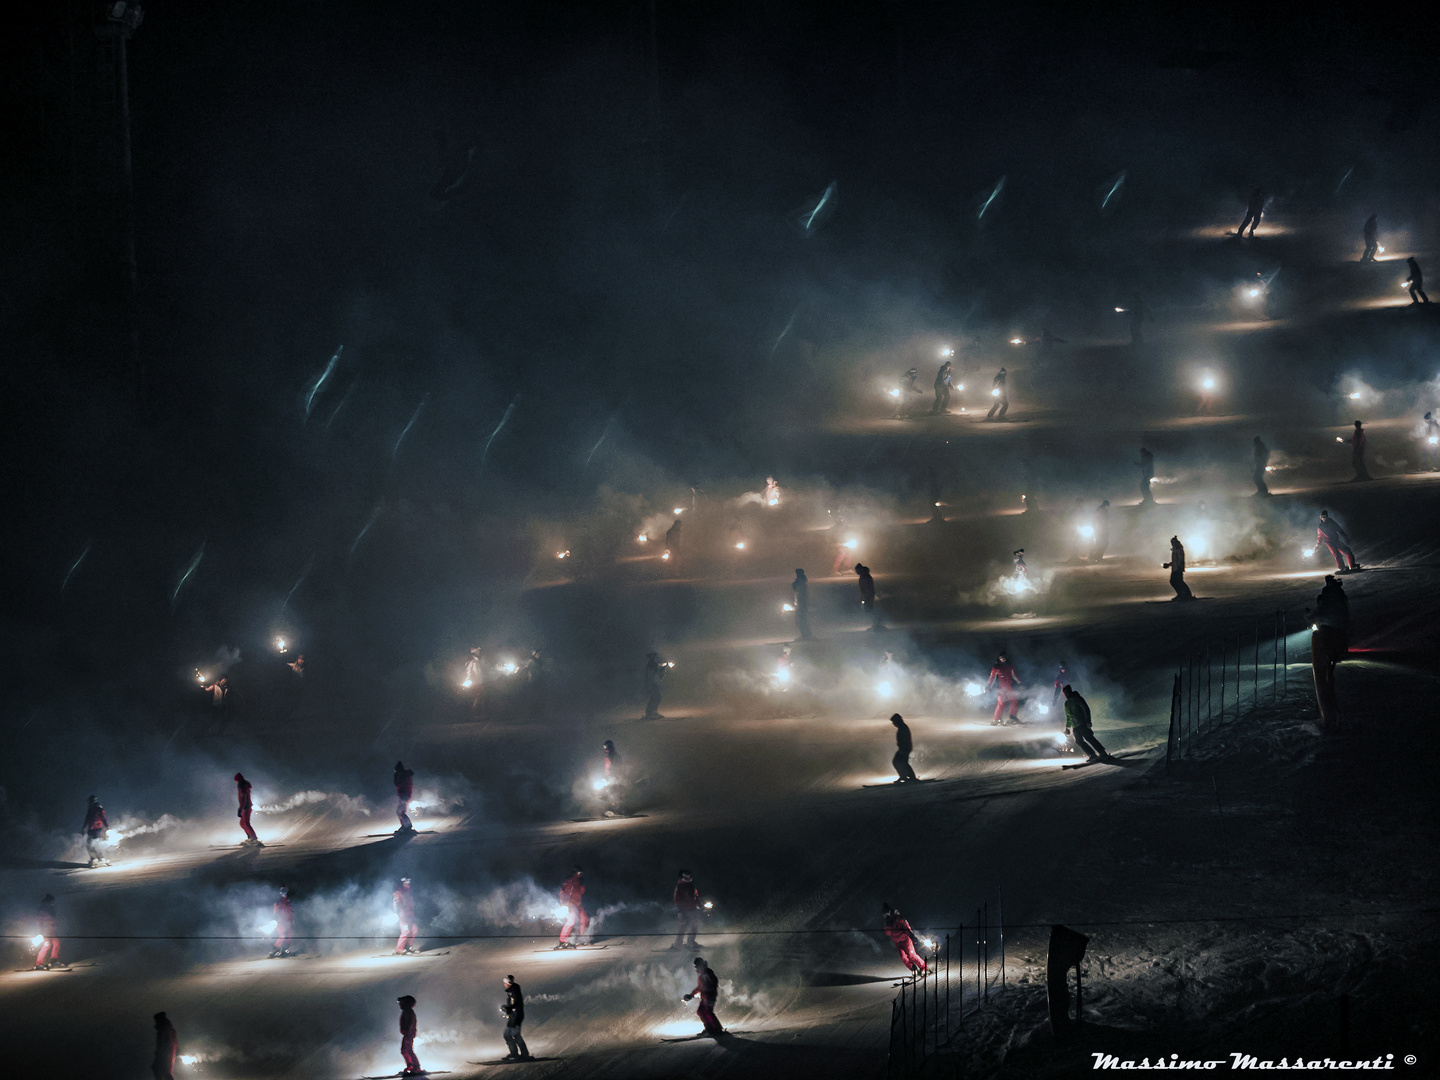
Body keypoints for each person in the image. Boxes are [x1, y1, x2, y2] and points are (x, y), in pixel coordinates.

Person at [1310, 575, 1351, 732]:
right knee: (1330, 667)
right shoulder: (1340, 595)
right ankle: (1333, 705)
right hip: (1341, 633)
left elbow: (1320, 612)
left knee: (1325, 669)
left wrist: (1309, 617)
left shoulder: (1327, 596)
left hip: (1330, 633)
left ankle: (1328, 709)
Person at [1062, 685, 1110, 761]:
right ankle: (1092, 755)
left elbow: (1086, 709)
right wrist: (1067, 728)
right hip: (1075, 726)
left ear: (1070, 691)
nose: (1066, 694)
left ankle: (1102, 753)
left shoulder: (1078, 698)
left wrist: (1088, 720)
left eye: (1067, 692)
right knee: (1079, 741)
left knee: (1089, 738)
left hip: (1082, 723)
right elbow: (1069, 716)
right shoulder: (1067, 703)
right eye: (1065, 693)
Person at [882, 904, 929, 975]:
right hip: (897, 942)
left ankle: (924, 967)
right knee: (904, 958)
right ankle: (913, 968)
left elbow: (906, 927)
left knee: (911, 955)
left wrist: (912, 937)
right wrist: (888, 925)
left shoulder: (899, 918)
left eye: (887, 913)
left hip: (906, 940)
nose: (886, 915)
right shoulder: (887, 922)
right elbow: (888, 933)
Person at [684, 957, 725, 1036]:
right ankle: (709, 1028)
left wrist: (709, 991)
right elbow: (700, 987)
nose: (696, 969)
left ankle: (717, 1029)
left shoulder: (707, 973)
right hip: (705, 997)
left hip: (709, 996)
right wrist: (691, 995)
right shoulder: (702, 974)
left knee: (708, 1012)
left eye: (697, 967)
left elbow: (714, 982)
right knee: (701, 1011)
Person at [555, 866, 589, 949]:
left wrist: (582, 885)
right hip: (570, 904)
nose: (580, 874)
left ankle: (581, 938)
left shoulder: (579, 880)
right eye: (579, 873)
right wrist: (565, 903)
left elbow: (581, 892)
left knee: (584, 920)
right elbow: (564, 892)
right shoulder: (570, 880)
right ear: (575, 872)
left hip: (578, 904)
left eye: (581, 873)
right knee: (571, 921)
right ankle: (562, 941)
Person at [501, 976, 532, 1061]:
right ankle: (515, 1054)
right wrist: (507, 1009)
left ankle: (523, 1054)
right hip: (513, 1016)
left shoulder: (514, 991)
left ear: (508, 983)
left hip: (516, 1017)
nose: (504, 985)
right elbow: (513, 1004)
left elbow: (516, 1004)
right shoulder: (512, 991)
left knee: (515, 1035)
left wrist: (508, 1008)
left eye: (505, 983)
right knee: (507, 1034)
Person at [986, 653, 1023, 725]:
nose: (1003, 660)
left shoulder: (1009, 666)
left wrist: (1019, 683)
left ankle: (1012, 717)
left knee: (1014, 702)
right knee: (1001, 703)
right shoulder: (996, 667)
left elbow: (1014, 675)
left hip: (1009, 688)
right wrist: (989, 686)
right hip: (1001, 688)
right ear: (999, 659)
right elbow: (992, 677)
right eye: (1001, 658)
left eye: (1004, 658)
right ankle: (997, 719)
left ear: (1006, 659)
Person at [673, 870, 703, 949]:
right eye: (686, 877)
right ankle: (678, 944)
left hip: (692, 909)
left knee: (694, 925)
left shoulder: (691, 886)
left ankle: (691, 942)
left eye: (689, 877)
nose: (688, 879)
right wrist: (680, 911)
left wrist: (700, 905)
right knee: (683, 926)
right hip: (684, 910)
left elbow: (696, 896)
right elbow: (677, 900)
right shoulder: (680, 886)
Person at [397, 994, 422, 1075]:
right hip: (407, 1033)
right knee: (404, 1050)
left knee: (408, 1050)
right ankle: (410, 1065)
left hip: (409, 1034)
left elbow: (411, 1023)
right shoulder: (406, 1011)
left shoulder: (408, 1012)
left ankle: (416, 1067)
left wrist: (408, 1032)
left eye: (401, 1002)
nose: (399, 1004)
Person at [890, 713, 919, 783]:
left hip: (904, 748)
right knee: (902, 762)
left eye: (893, 722)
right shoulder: (902, 727)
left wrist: (903, 749)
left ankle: (907, 777)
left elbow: (905, 739)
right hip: (904, 748)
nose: (893, 724)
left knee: (898, 762)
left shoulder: (903, 728)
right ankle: (909, 777)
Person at [82, 794, 109, 867]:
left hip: (96, 829)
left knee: (93, 844)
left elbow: (103, 818)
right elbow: (87, 819)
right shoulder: (93, 809)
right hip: (93, 829)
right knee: (92, 844)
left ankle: (97, 858)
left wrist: (106, 826)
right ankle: (98, 858)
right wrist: (84, 827)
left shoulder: (97, 809)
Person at [1163, 536, 1194, 600]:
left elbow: (1180, 559)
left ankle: (1183, 594)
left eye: (1173, 543)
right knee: (1177, 582)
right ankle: (1184, 594)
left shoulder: (1178, 550)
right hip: (1175, 568)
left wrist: (1179, 567)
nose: (1172, 544)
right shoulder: (1175, 550)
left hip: (1177, 569)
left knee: (1176, 581)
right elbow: (1175, 561)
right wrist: (1169, 564)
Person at [234, 772, 261, 845]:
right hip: (246, 807)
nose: (236, 783)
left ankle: (253, 838)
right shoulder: (245, 786)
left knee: (245, 823)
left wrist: (240, 809)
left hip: (245, 807)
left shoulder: (242, 787)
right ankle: (250, 837)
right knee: (242, 823)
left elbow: (243, 799)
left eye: (236, 781)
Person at [33, 894, 59, 970]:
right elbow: (39, 921)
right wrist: (40, 931)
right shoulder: (42, 910)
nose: (52, 903)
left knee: (56, 942)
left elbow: (52, 920)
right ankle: (39, 963)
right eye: (51, 902)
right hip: (45, 931)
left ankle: (54, 960)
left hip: (51, 931)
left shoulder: (50, 909)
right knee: (47, 945)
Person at [393, 877, 417, 955]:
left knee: (414, 930)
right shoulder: (399, 893)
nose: (409, 883)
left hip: (410, 915)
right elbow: (396, 903)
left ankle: (408, 946)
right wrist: (397, 912)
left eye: (409, 882)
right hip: (403, 916)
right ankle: (399, 949)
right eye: (407, 882)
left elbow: (411, 904)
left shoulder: (409, 892)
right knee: (406, 931)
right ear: (403, 883)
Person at [152, 1012, 178, 1080]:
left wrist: (159, 1053)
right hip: (168, 1052)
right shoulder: (169, 1028)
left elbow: (162, 1042)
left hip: (165, 1053)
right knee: (165, 1071)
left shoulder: (164, 1028)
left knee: (161, 1070)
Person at [270, 886, 293, 958]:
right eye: (283, 892)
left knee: (289, 935)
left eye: (285, 892)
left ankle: (285, 950)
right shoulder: (279, 901)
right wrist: (275, 919)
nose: (284, 894)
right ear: (280, 893)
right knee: (282, 935)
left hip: (287, 921)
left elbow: (290, 911)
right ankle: (275, 950)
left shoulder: (287, 901)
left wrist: (292, 919)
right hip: (280, 921)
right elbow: (276, 911)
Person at [643, 653, 667, 719]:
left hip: (654, 682)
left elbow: (659, 668)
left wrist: (664, 667)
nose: (656, 658)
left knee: (657, 697)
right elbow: (650, 674)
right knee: (655, 697)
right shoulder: (652, 664)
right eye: (655, 656)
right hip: (653, 683)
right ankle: (650, 713)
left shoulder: (653, 664)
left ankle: (653, 712)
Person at [393, 761, 415, 833]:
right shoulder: (405, 775)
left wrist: (397, 777)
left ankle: (407, 826)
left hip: (405, 795)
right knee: (401, 811)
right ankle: (405, 825)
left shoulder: (404, 775)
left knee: (400, 812)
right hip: (404, 795)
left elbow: (399, 784)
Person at [792, 569, 812, 641]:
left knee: (801, 621)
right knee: (802, 620)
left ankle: (806, 636)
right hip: (801, 604)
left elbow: (798, 591)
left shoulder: (800, 582)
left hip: (801, 604)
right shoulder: (802, 581)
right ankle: (806, 635)